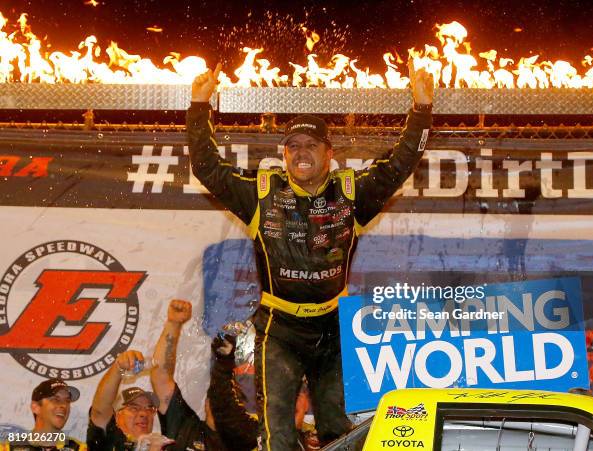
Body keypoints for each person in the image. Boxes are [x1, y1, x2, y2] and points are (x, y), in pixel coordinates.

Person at [188, 61, 434, 450]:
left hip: (334, 328)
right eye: (293, 146)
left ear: (329, 153)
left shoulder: (353, 192)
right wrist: (199, 106)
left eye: (311, 146)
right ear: (284, 155)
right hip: (279, 328)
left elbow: (401, 165)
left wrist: (421, 110)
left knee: (339, 429)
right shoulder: (260, 192)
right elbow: (205, 167)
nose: (301, 153)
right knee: (278, 434)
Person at [151, 299, 254, 451]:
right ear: (206, 401)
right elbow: (160, 376)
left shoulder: (248, 442)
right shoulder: (184, 428)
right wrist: (173, 324)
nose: (224, 401)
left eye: (234, 398)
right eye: (222, 394)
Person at [87, 350, 164, 450]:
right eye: (134, 408)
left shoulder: (163, 446)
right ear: (117, 416)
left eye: (149, 408)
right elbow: (100, 411)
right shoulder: (109, 442)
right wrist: (117, 369)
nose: (144, 414)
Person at [2, 378, 85, 450]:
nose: (64, 405)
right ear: (36, 407)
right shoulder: (8, 448)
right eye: (56, 400)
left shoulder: (80, 449)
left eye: (67, 401)